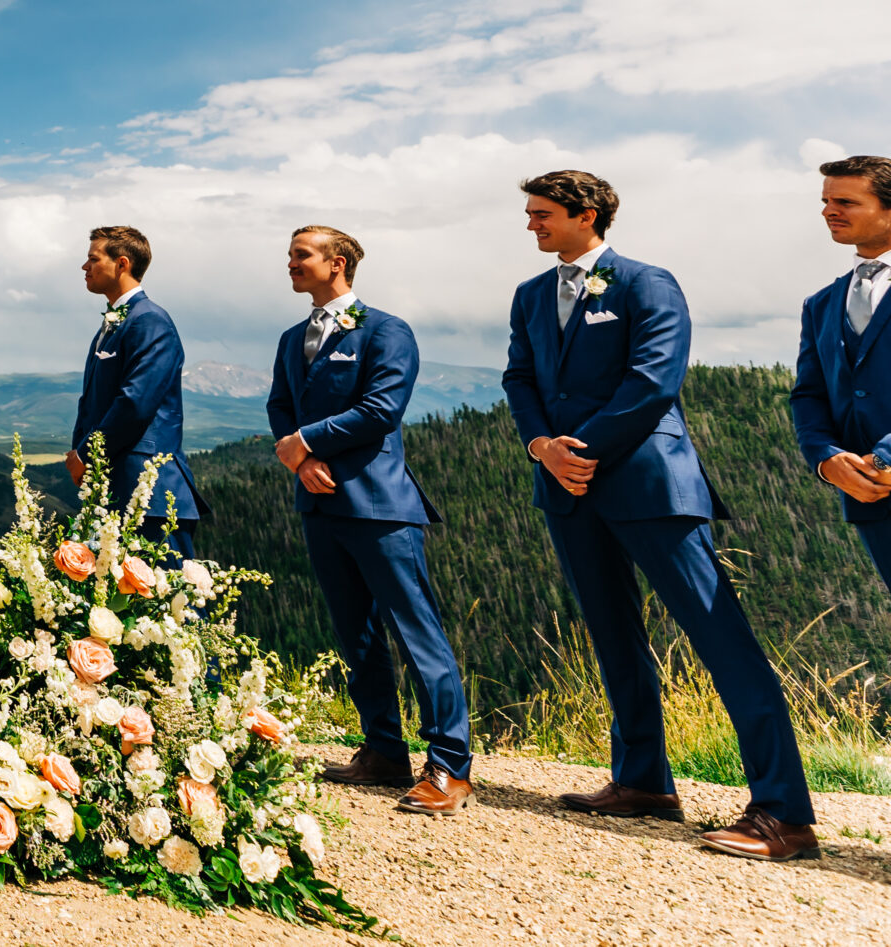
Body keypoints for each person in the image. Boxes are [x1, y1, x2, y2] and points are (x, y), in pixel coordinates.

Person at [502, 169, 815, 860]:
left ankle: (784, 810)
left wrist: (578, 450)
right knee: (615, 635)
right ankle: (644, 780)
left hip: (648, 484)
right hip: (566, 487)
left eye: (542, 213)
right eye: (529, 213)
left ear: (588, 215)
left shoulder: (647, 282)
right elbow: (518, 377)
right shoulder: (530, 295)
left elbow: (654, 379)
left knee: (720, 637)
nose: (531, 224)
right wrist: (541, 447)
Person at [266, 225, 473, 814]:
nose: (290, 264)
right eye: (289, 256)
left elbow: (380, 410)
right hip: (320, 501)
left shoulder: (387, 330)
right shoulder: (290, 338)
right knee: (355, 635)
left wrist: (305, 443)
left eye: (300, 255)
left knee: (416, 631)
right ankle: (383, 750)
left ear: (339, 262)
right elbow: (281, 404)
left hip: (380, 505)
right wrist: (300, 460)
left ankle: (451, 767)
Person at [65, 225, 199, 556]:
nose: (85, 267)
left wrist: (85, 455)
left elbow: (136, 402)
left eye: (93, 259)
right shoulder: (117, 322)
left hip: (148, 493)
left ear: (122, 264)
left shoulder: (149, 320)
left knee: (170, 602)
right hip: (113, 490)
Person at [790, 154, 891, 592]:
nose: (829, 211)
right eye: (826, 201)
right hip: (871, 496)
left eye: (846, 201)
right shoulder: (821, 303)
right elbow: (808, 394)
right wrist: (826, 459)